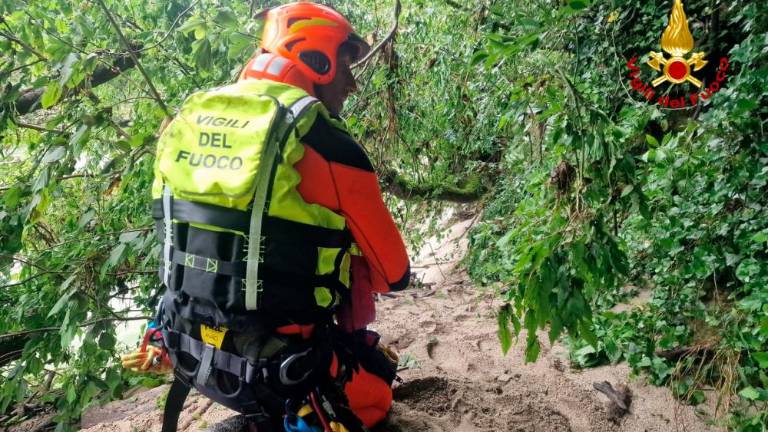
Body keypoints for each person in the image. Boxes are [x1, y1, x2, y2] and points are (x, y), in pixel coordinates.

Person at [121, 3, 410, 432]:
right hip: (282, 368)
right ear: (318, 60)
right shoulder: (326, 141)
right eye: (346, 65)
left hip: (187, 349)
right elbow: (396, 273)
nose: (352, 83)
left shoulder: (187, 121)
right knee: (375, 397)